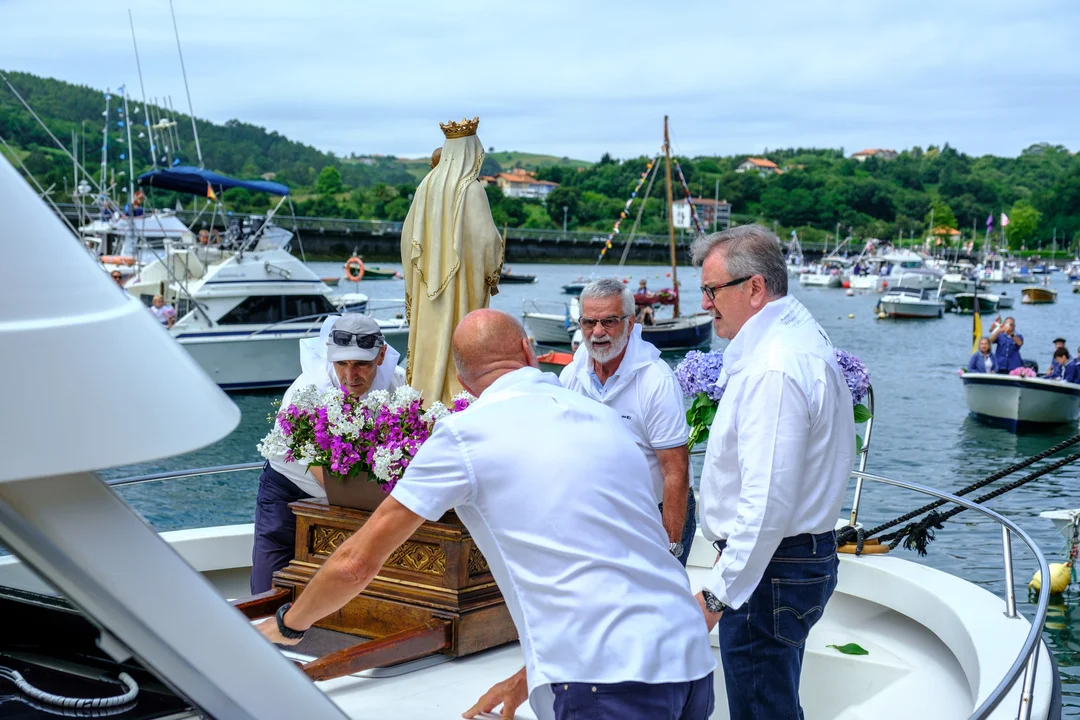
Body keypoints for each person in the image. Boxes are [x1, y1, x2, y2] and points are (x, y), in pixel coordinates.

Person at [257, 309, 716, 720]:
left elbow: (358, 562)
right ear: (528, 351)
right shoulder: (603, 419)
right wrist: (529, 677)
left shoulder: (465, 435)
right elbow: (617, 564)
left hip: (606, 678)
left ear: (462, 382)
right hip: (688, 658)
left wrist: (287, 626)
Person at [689, 224, 854, 720]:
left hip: (769, 573)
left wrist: (716, 595)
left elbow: (766, 504)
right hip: (788, 564)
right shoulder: (800, 337)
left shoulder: (774, 368)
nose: (705, 304)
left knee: (761, 709)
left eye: (712, 290)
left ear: (755, 288)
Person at [250, 314, 405, 594]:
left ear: (381, 356)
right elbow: (324, 475)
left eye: (361, 364)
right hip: (289, 489)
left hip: (355, 490)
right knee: (268, 585)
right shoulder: (306, 391)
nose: (350, 376)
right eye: (341, 363)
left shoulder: (399, 384)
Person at [560, 277, 695, 566]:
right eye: (589, 322)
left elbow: (675, 471)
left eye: (609, 321)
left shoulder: (655, 380)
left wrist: (669, 549)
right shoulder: (571, 376)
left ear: (631, 323)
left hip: (653, 513)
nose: (597, 332)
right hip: (597, 514)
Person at [400, 116, 505, 406]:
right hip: (463, 291)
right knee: (460, 336)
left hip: (426, 291)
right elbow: (487, 243)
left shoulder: (424, 187)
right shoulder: (472, 190)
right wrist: (493, 267)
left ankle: (423, 401)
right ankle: (456, 399)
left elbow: (407, 240)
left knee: (429, 341)